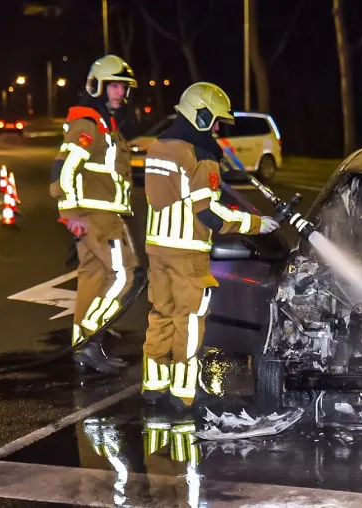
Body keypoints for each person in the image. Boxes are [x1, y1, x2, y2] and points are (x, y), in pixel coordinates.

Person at [141, 82, 279, 410]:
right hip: (187, 251)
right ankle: (184, 393)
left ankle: (153, 386)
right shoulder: (200, 155)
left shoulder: (159, 146)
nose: (217, 129)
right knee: (189, 319)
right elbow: (210, 213)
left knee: (160, 314)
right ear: (200, 115)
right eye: (215, 121)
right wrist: (256, 224)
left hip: (157, 248)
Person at [50, 54, 143, 374]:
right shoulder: (88, 124)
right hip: (97, 217)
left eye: (123, 87)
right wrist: (69, 213)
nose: (120, 92)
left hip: (101, 215)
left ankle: (83, 347)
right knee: (125, 276)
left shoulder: (104, 125)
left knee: (93, 277)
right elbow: (63, 169)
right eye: (114, 86)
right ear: (97, 86)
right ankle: (90, 337)